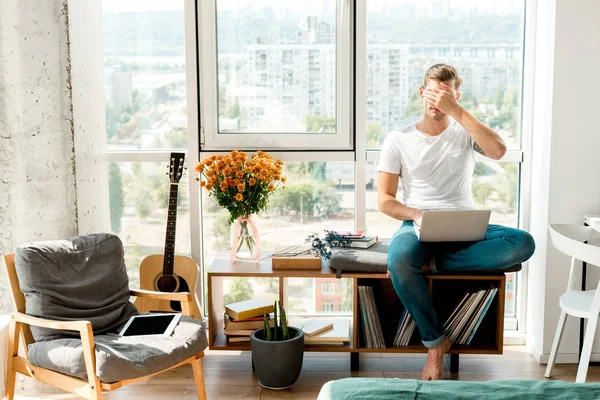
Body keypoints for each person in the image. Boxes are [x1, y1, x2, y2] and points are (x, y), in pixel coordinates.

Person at [377, 64, 535, 381]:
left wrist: (457, 111)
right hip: (417, 225)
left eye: (446, 94)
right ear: (422, 93)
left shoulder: (465, 131)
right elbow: (384, 200)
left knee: (522, 243)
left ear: (456, 96)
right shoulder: (398, 139)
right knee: (399, 260)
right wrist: (417, 215)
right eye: (433, 91)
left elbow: (499, 150)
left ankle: (437, 264)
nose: (438, 99)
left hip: (464, 225)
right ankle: (436, 343)